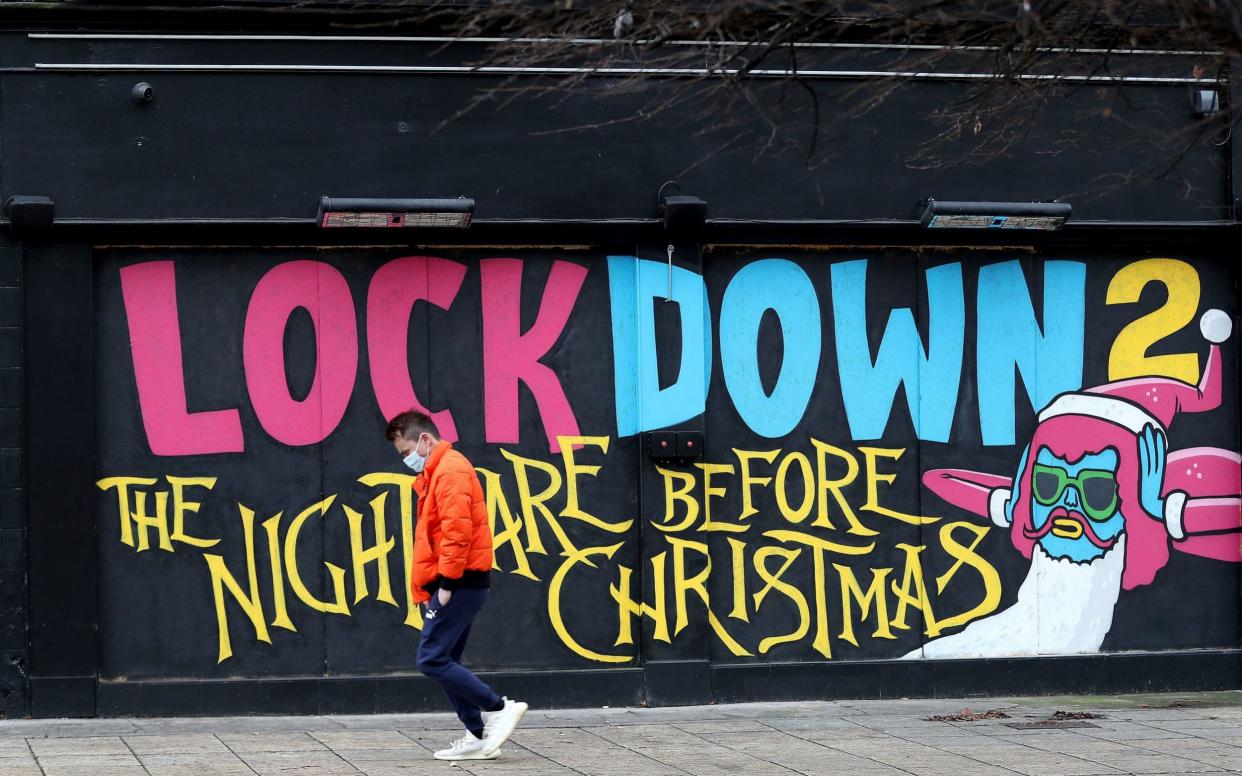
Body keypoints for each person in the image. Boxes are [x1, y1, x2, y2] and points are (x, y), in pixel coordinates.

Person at [386, 409, 528, 761]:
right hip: (458, 581)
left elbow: (457, 530)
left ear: (425, 440)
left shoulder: (450, 471)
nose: (407, 460)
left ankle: (498, 709)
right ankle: (479, 735)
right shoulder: (438, 473)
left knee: (431, 658)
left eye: (406, 452)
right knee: (446, 658)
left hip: (459, 582)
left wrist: (447, 582)